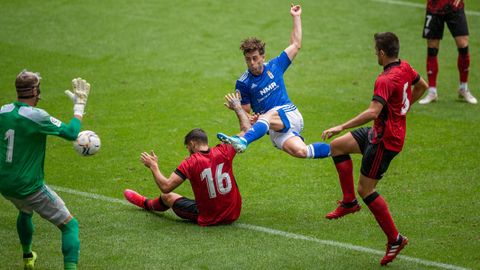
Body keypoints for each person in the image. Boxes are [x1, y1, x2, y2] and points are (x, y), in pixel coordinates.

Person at [321, 32, 428, 266]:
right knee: (337, 147)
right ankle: (348, 202)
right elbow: (422, 86)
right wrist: (403, 110)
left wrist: (341, 125)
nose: (374, 53)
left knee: (366, 189)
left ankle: (395, 239)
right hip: (379, 131)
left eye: (375, 50)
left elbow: (372, 112)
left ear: (381, 52)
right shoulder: (405, 67)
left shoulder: (385, 80)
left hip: (385, 140)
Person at [0, 70, 91, 270]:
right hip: (29, 186)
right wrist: (79, 105)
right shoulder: (36, 116)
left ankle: (28, 257)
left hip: (5, 184)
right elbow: (71, 133)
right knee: (70, 226)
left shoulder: (3, 111)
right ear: (34, 91)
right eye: (38, 89)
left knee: (25, 210)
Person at [217, 4, 330, 159]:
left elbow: (295, 45)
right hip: (274, 128)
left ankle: (243, 141)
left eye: (255, 58)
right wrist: (238, 109)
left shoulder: (275, 65)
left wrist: (296, 17)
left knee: (267, 116)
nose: (252, 62)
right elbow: (247, 122)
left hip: (290, 114)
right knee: (302, 152)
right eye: (248, 59)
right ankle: (337, 149)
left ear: (263, 57)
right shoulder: (243, 83)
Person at [124, 93, 250, 226]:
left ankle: (146, 203)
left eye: (187, 147)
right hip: (234, 213)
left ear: (192, 144)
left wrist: (153, 166)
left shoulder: (190, 162)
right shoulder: (225, 150)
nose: (188, 151)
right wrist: (237, 107)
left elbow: (166, 187)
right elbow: (247, 130)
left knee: (167, 197)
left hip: (211, 217)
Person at [419, 0, 477, 104]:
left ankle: (463, 88)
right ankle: (432, 91)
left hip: (454, 7)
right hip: (434, 7)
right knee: (432, 48)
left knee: (463, 45)